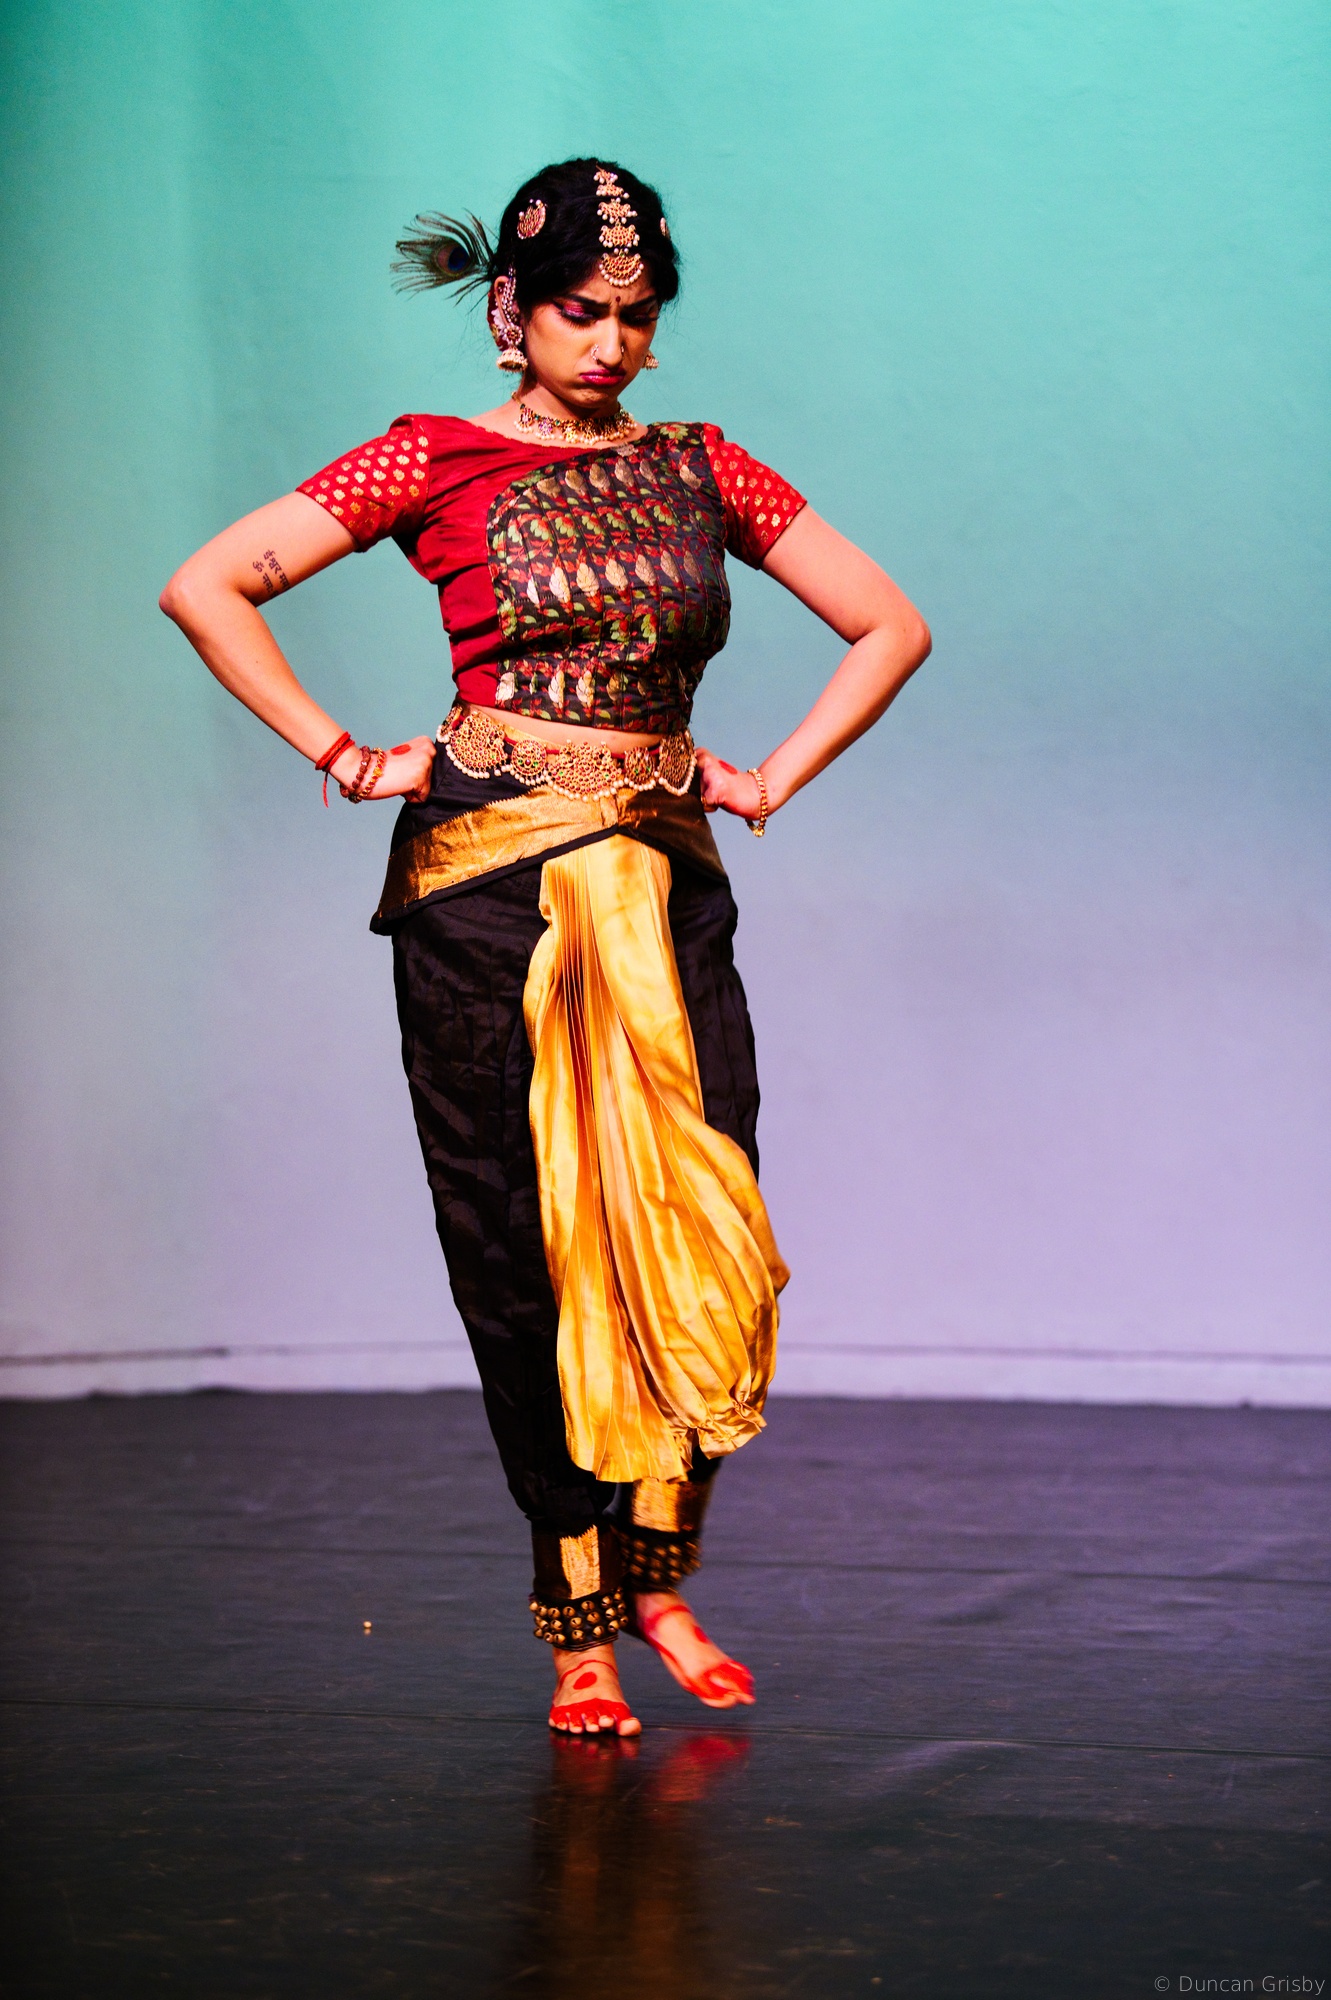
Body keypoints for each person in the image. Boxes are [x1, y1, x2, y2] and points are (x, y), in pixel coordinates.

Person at [160, 158, 930, 1738]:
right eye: (583, 311)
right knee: (522, 1244)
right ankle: (577, 1615)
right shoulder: (431, 458)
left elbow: (890, 622)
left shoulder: (703, 465)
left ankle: (664, 1573)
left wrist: (770, 776)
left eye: (638, 317)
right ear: (510, 311)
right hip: (483, 900)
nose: (614, 344)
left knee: (699, 1223)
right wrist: (343, 753)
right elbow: (209, 584)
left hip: (665, 886)